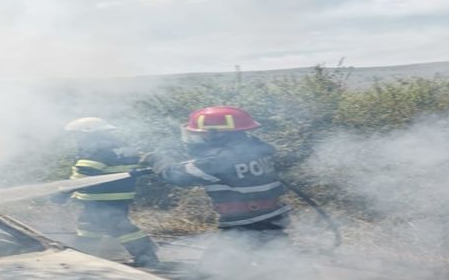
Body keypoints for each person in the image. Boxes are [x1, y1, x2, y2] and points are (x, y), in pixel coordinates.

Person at [145, 106, 290, 242]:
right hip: (273, 216)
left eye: (202, 135)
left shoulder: (218, 161)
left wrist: (156, 160)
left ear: (218, 135)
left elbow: (176, 176)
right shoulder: (257, 150)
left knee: (211, 269)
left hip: (246, 224)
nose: (199, 139)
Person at [63, 117, 159, 267]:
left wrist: (64, 191)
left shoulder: (95, 148)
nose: (75, 138)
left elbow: (84, 173)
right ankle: (83, 255)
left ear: (88, 133)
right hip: (119, 197)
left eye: (77, 134)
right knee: (89, 227)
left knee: (120, 228)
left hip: (100, 198)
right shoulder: (122, 146)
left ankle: (146, 255)